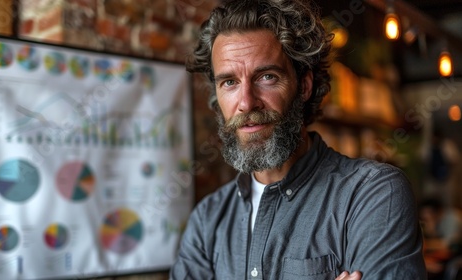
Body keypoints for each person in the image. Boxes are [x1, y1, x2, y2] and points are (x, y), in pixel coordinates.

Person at [170, 0, 427, 279]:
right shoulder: (207, 220)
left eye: (267, 76)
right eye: (229, 82)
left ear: (304, 86)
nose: (246, 102)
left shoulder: (371, 195)